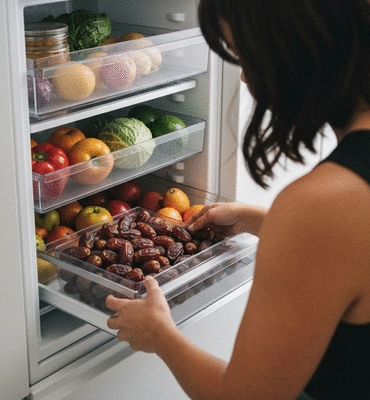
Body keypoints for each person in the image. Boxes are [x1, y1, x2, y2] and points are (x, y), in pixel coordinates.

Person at [106, 0, 370, 398]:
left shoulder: (319, 206)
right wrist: (259, 220)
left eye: (249, 56)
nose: (245, 78)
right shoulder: (337, 205)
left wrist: (159, 335)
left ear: (297, 51)